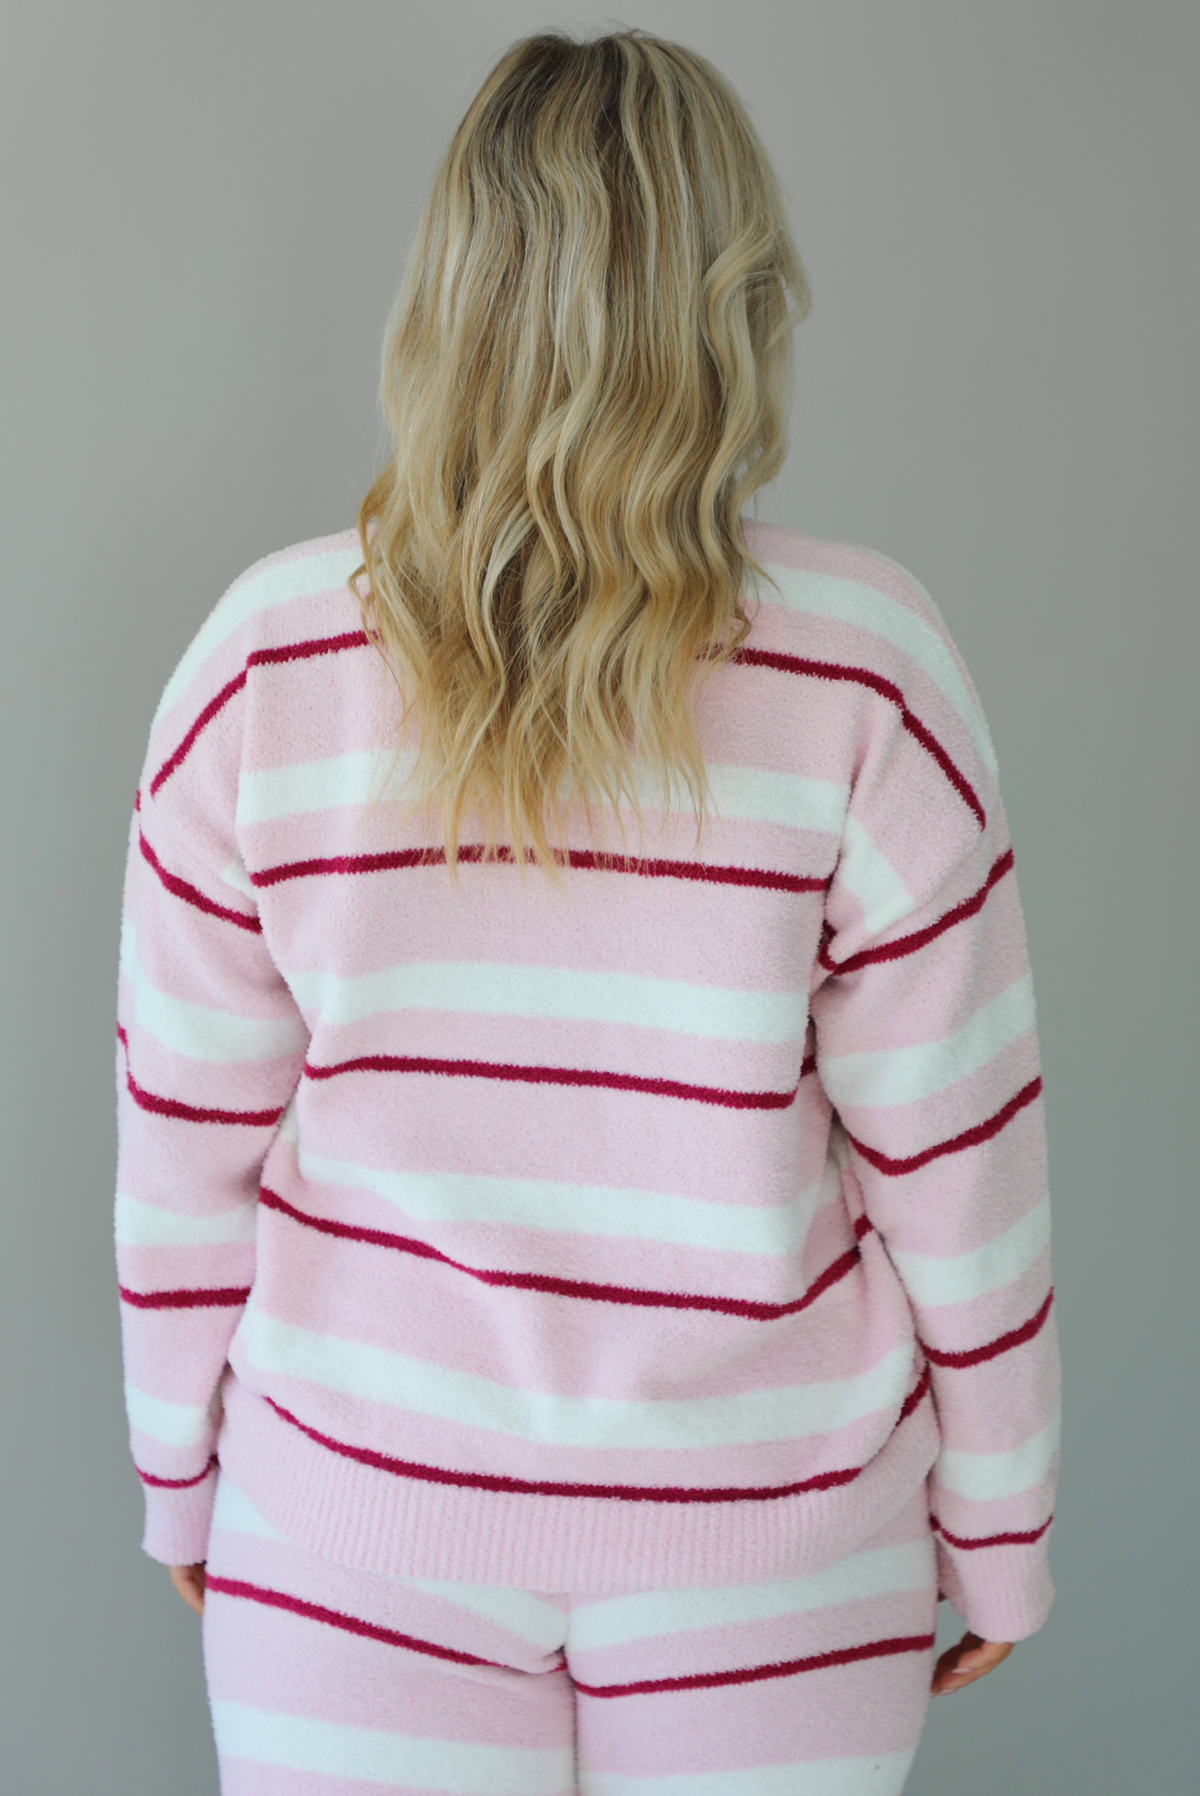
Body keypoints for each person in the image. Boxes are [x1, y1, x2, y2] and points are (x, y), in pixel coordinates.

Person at [114, 27, 1059, 1794]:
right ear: (739, 301)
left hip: (355, 1527)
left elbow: (186, 1142)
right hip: (775, 1541)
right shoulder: (871, 669)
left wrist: (181, 1468)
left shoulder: (268, 658)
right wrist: (1001, 1517)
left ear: (446, 294)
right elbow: (963, 1160)